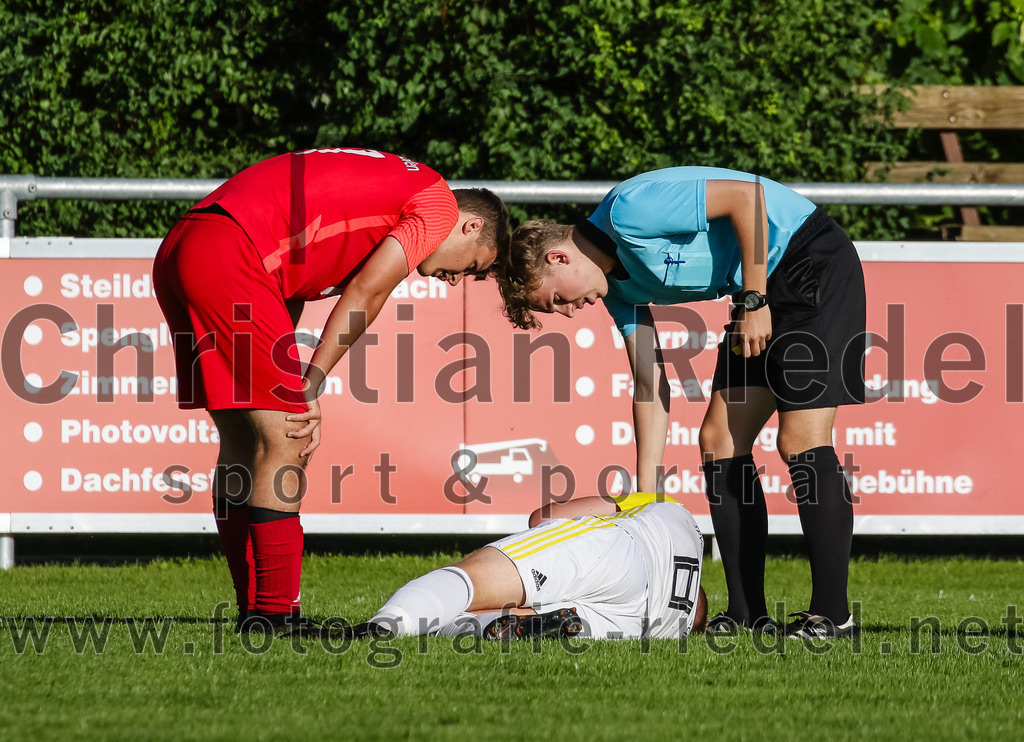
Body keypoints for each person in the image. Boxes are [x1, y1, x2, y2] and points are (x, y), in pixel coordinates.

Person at [494, 166, 865, 639]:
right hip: (761, 289)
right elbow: (649, 383)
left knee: (800, 441)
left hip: (809, 262)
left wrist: (753, 300)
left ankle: (834, 615)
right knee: (718, 440)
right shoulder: (617, 290)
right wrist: (645, 494)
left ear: (557, 258)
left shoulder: (629, 211)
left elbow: (748, 198)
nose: (568, 311)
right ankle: (749, 611)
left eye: (555, 300)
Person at [152, 148, 511, 636]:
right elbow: (368, 291)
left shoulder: (383, 203)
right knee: (288, 439)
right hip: (231, 252)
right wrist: (310, 384)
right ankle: (277, 616)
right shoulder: (438, 204)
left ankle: (256, 611)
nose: (457, 280)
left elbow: (286, 288)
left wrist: (295, 376)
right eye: (472, 266)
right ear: (470, 227)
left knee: (244, 444)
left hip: (188, 244)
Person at [352, 492, 707, 640]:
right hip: (637, 621)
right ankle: (527, 625)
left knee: (472, 581)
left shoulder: (666, 508)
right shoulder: (684, 616)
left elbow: (543, 518)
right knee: (487, 615)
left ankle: (380, 628)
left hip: (619, 551)